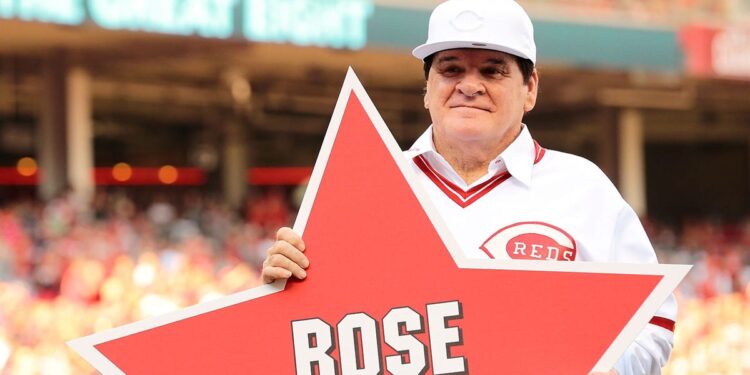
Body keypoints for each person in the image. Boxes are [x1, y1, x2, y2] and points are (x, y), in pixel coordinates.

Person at [261, 1, 677, 374]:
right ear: (427, 89)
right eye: (451, 68)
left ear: (529, 88)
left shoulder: (583, 188)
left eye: (493, 69)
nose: (469, 84)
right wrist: (285, 294)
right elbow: (320, 335)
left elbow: (652, 323)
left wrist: (584, 364)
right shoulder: (365, 190)